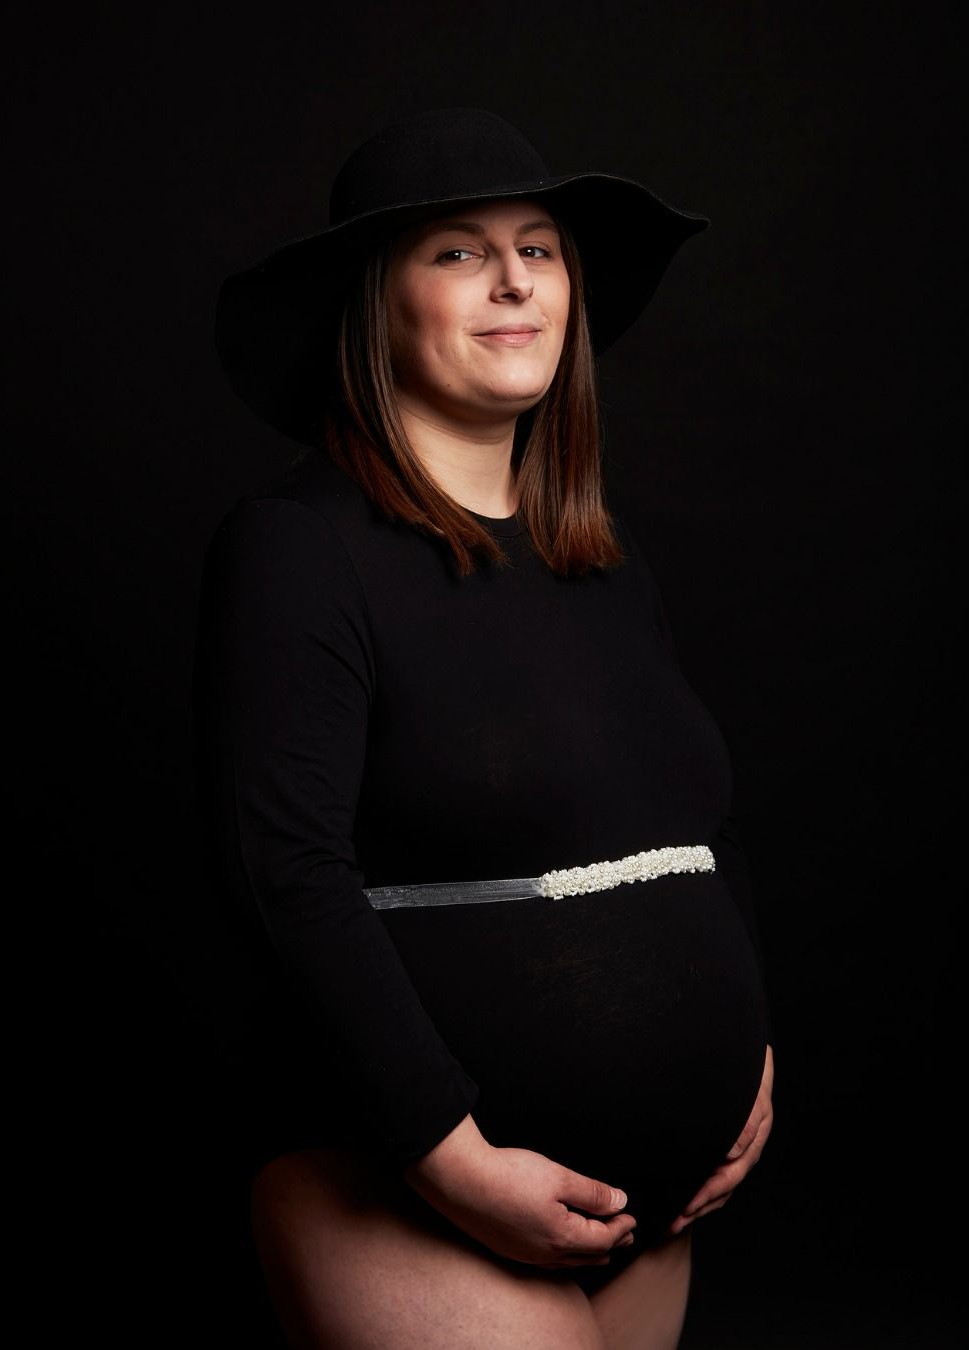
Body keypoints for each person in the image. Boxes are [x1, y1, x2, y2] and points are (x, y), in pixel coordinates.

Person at [194, 107, 775, 1350]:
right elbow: (285, 874)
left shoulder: (602, 562)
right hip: (415, 1184)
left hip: (645, 1206)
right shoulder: (299, 550)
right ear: (373, 304)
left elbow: (687, 831)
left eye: (540, 248)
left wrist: (748, 1050)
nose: (515, 278)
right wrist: (445, 1159)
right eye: (458, 252)